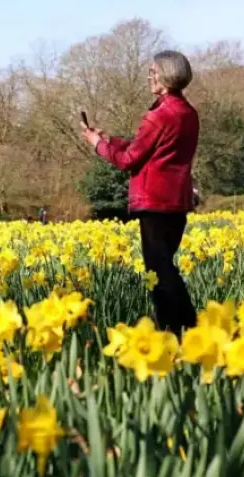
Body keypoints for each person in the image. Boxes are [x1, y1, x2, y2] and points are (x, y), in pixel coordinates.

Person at [79, 50, 198, 337]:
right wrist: (112, 140)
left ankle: (179, 330)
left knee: (158, 272)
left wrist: (97, 144)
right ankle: (183, 329)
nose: (149, 76)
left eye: (153, 72)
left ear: (168, 76)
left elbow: (128, 160)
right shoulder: (188, 113)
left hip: (154, 202)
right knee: (164, 266)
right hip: (176, 201)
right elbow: (149, 148)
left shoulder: (159, 115)